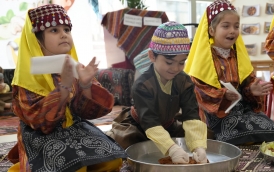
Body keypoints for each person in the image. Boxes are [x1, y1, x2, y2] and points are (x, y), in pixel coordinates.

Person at [7, 4, 127, 172]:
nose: (63, 34)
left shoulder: (75, 67)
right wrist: (62, 91)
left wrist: (85, 86)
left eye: (66, 29)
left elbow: (86, 112)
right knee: (75, 168)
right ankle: (23, 167)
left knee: (112, 162)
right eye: (54, 30)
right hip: (41, 136)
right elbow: (40, 123)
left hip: (73, 130)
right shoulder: (27, 78)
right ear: (37, 39)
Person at [107, 21, 209, 164]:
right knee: (121, 147)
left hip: (168, 124)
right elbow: (150, 122)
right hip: (139, 125)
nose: (175, 68)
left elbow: (191, 115)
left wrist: (198, 147)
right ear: (152, 56)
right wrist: (172, 149)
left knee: (206, 136)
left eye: (181, 62)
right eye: (169, 62)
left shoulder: (185, 81)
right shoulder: (142, 85)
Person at [184, 0, 274, 145]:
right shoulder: (204, 58)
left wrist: (251, 90)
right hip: (217, 113)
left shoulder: (238, 56)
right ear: (211, 30)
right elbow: (198, 90)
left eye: (236, 26)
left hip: (241, 109)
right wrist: (223, 95)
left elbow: (246, 85)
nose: (232, 30)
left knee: (273, 130)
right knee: (232, 134)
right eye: (226, 26)